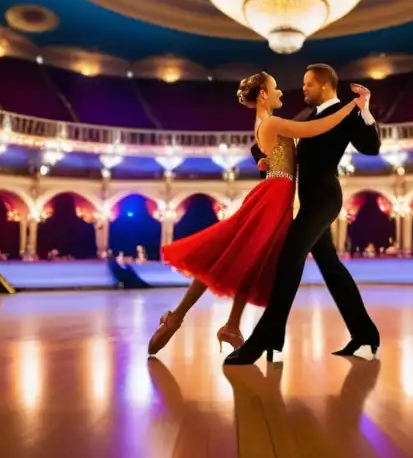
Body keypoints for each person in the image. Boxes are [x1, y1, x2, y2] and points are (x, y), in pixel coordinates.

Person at [147, 71, 368, 356]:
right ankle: (181, 317)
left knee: (247, 256)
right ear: (263, 94)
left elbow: (266, 154)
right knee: (236, 253)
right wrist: (351, 107)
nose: (281, 93)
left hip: (276, 191)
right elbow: (317, 128)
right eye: (276, 88)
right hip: (275, 195)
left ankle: (228, 324)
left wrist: (264, 160)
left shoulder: (262, 122)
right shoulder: (273, 121)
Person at [226, 63, 381, 365]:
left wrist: (365, 110)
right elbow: (267, 138)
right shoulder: (309, 116)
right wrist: (262, 157)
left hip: (324, 198)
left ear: (324, 85)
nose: (304, 89)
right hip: (308, 201)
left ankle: (264, 339)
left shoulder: (347, 113)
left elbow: (372, 147)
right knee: (331, 268)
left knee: (288, 261)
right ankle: (364, 333)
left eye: (308, 84)